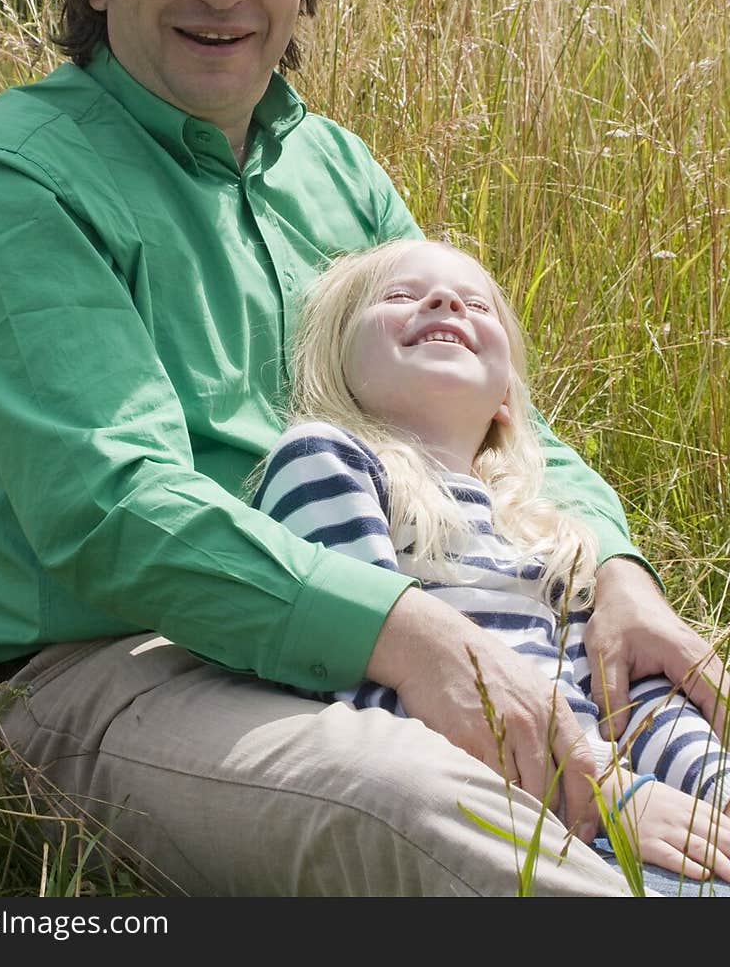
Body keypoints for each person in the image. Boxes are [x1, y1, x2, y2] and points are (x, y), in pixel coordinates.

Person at [0, 0, 729, 897]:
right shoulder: (14, 180)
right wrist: (417, 642)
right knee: (417, 803)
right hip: (122, 663)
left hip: (425, 614)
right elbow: (108, 509)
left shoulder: (331, 166)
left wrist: (617, 572)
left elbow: (492, 413)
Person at [250, 236, 730, 886]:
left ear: (506, 397)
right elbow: (348, 678)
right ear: (335, 366)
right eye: (399, 296)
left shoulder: (540, 526)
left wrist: (711, 790)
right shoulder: (326, 462)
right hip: (488, 823)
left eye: (479, 307)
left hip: (616, 811)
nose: (446, 301)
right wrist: (606, 796)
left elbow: (626, 700)